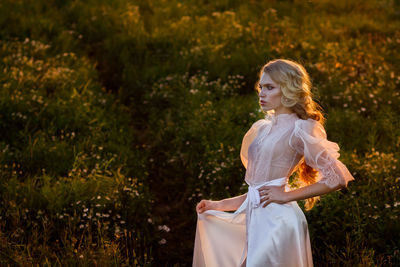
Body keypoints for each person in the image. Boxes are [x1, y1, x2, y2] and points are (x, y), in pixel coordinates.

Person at [192, 59, 355, 267]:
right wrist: (219, 205)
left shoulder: (301, 128)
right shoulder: (262, 129)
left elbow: (338, 178)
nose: (261, 93)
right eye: (261, 87)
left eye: (269, 87)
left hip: (278, 223)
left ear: (288, 89)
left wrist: (286, 195)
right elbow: (258, 190)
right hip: (256, 221)